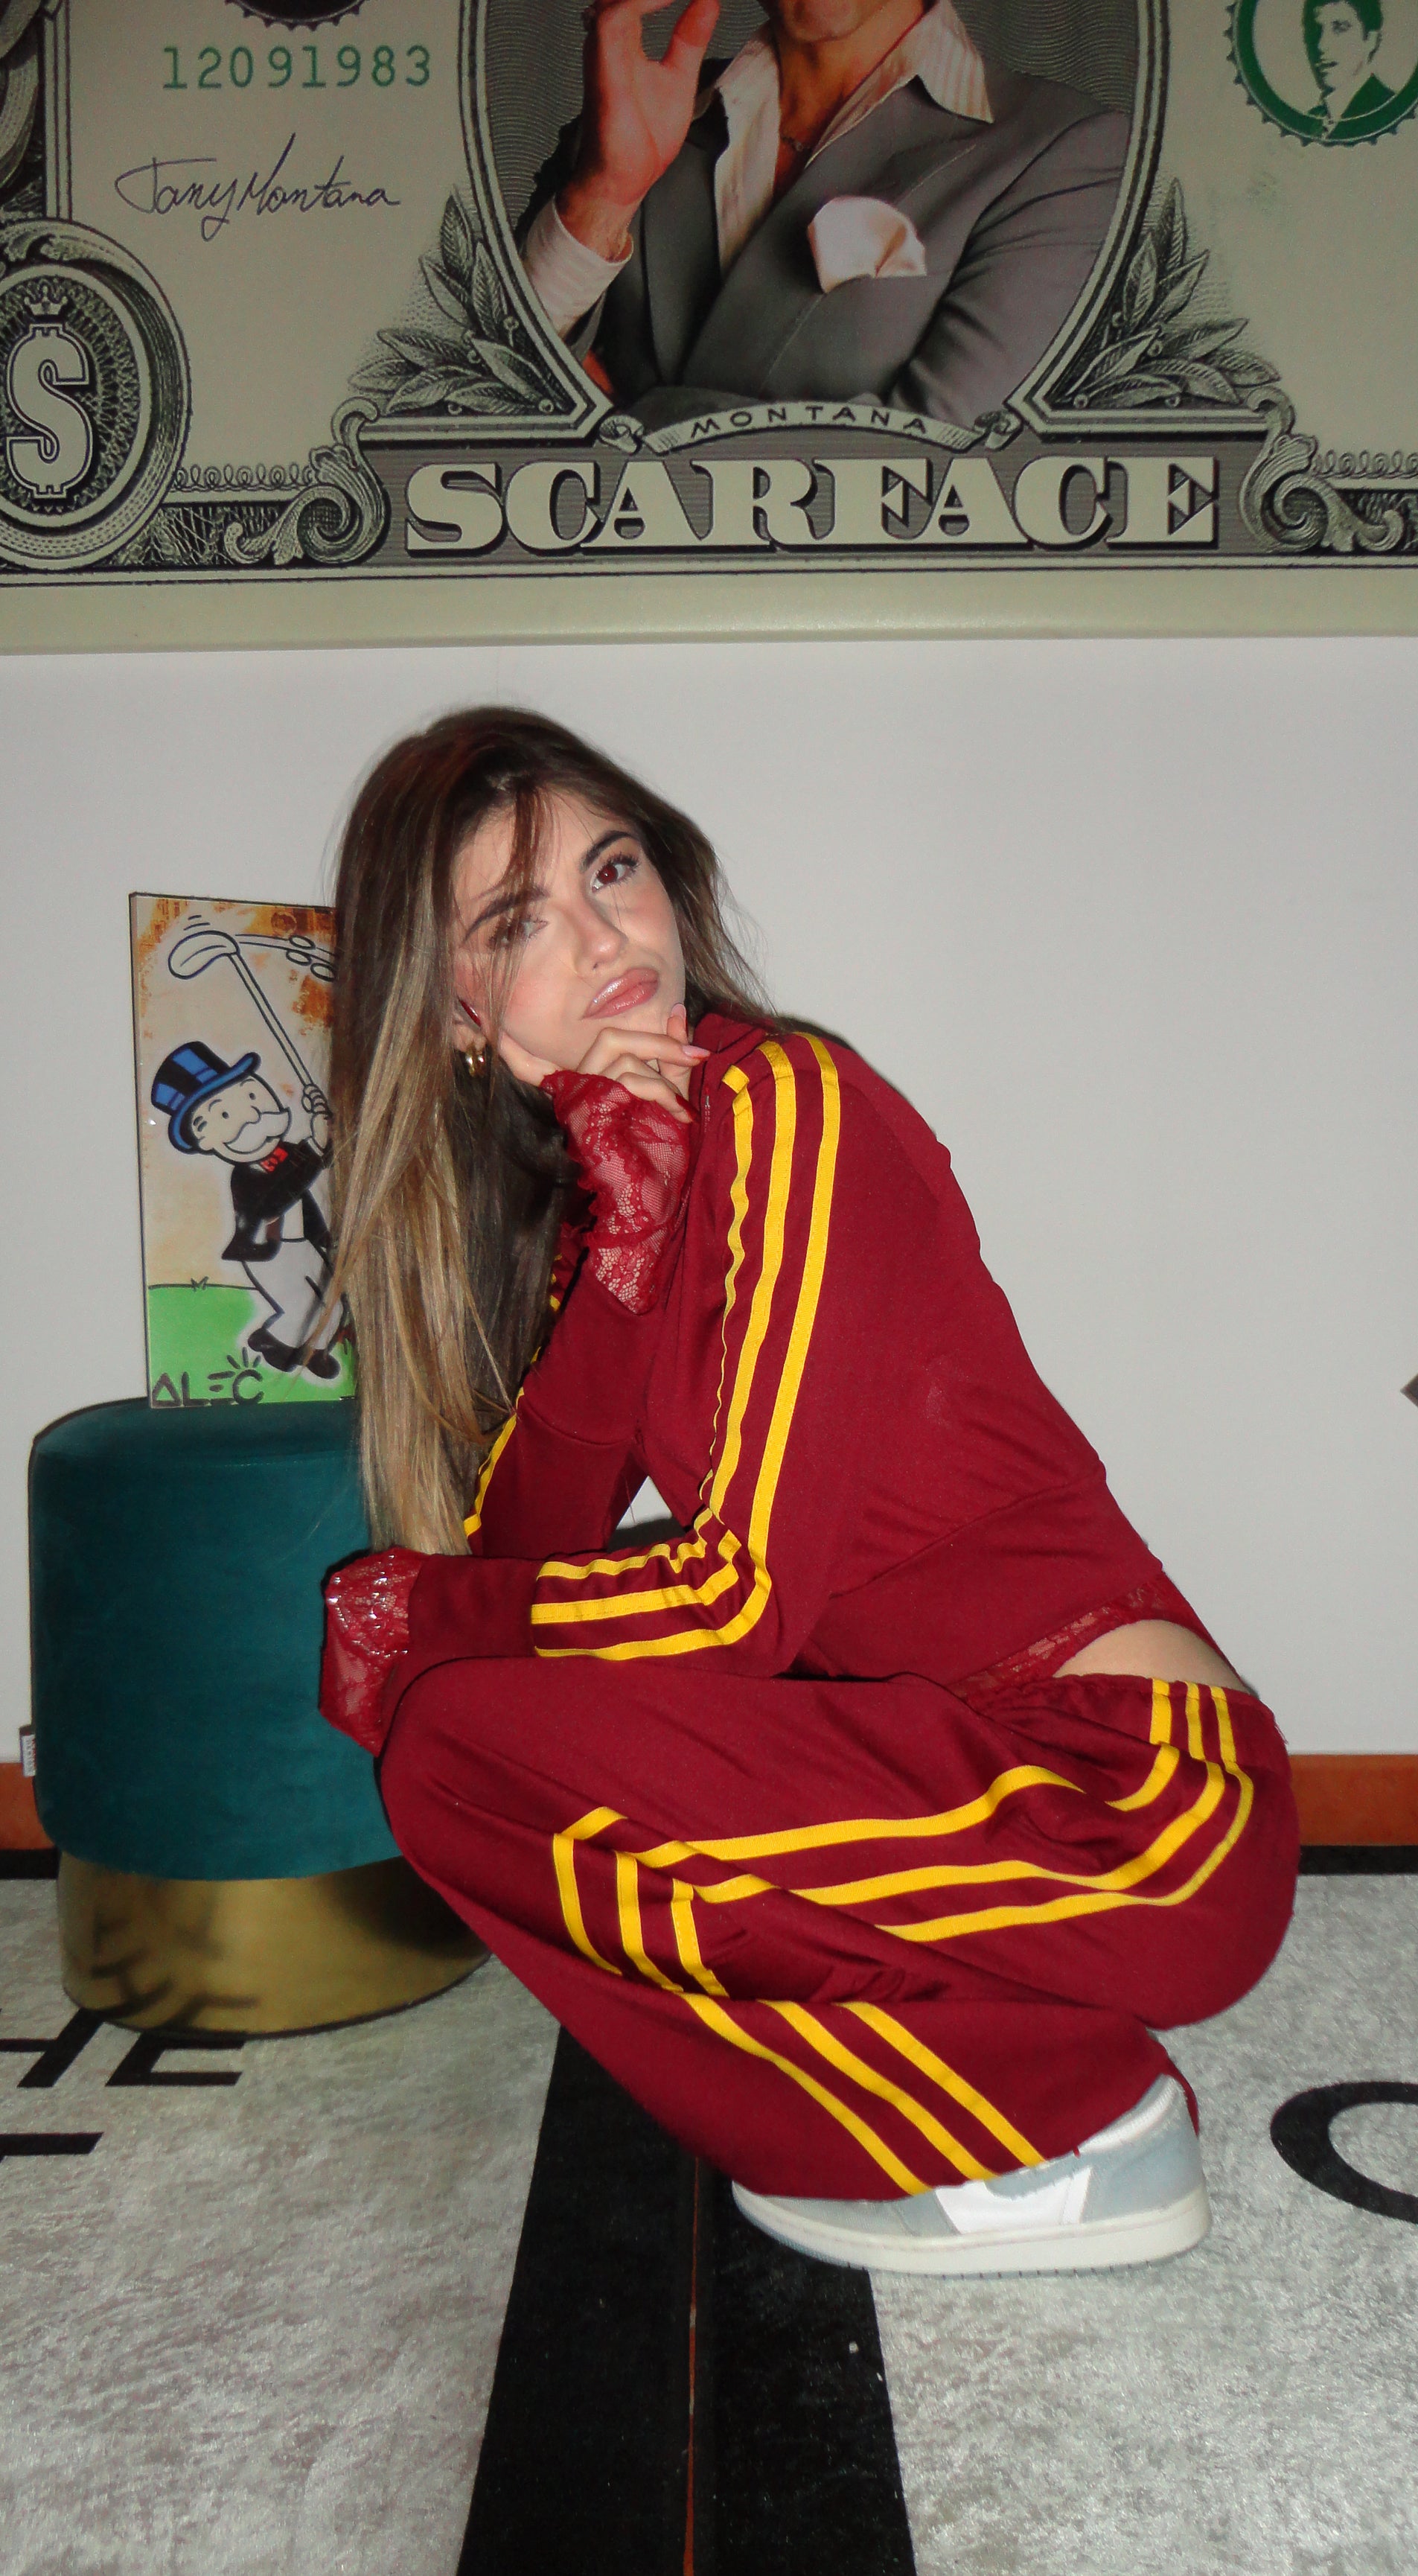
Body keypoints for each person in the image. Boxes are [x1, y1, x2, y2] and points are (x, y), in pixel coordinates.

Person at [318, 709, 1297, 2274]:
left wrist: (426, 1618)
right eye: (516, 921)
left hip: (1137, 1808)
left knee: (452, 1750)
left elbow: (736, 1608)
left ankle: (1061, 2123)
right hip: (954, 1790)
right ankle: (1029, 2077)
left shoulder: (788, 1101)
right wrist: (627, 1267)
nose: (603, 935)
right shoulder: (634, 1182)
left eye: (613, 870)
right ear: (454, 1016)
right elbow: (528, 1555)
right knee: (471, 1740)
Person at [517, 0, 1128, 433]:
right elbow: (486, 416)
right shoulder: (620, 124)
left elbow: (939, 478)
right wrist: (604, 198)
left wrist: (633, 421)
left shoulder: (1064, 154)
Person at [151, 1039, 342, 1378]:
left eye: (252, 1095)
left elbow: (317, 1164)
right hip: (269, 1254)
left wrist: (323, 1135)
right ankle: (272, 1342)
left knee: (333, 1302)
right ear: (203, 1135)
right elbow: (277, 1199)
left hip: (304, 1243)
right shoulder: (244, 1177)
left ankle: (315, 1352)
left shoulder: (286, 1152)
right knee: (300, 1306)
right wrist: (314, 1147)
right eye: (226, 1114)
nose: (253, 1115)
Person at [1303, 0, 1393, 133]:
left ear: (1371, 40)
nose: (1321, 45)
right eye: (1315, 30)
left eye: (1340, 28)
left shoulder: (1389, 112)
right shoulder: (1313, 119)